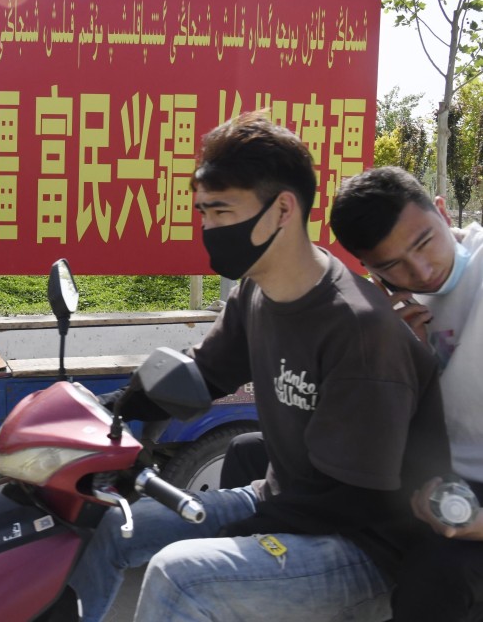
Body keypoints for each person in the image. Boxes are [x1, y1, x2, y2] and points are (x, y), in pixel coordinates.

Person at [68, 112, 450, 622]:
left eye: (222, 212)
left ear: (282, 210)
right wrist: (108, 411)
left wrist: (229, 527)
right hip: (286, 502)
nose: (208, 228)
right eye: (203, 212)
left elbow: (357, 502)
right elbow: (205, 374)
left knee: (181, 575)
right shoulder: (259, 290)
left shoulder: (358, 331)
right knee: (111, 529)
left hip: (364, 551)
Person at [330, 165, 483, 622]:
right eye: (391, 264)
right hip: (432, 481)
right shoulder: (393, 313)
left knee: (437, 577)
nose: (420, 270)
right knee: (253, 455)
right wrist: (398, 359)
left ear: (441, 210)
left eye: (424, 243)